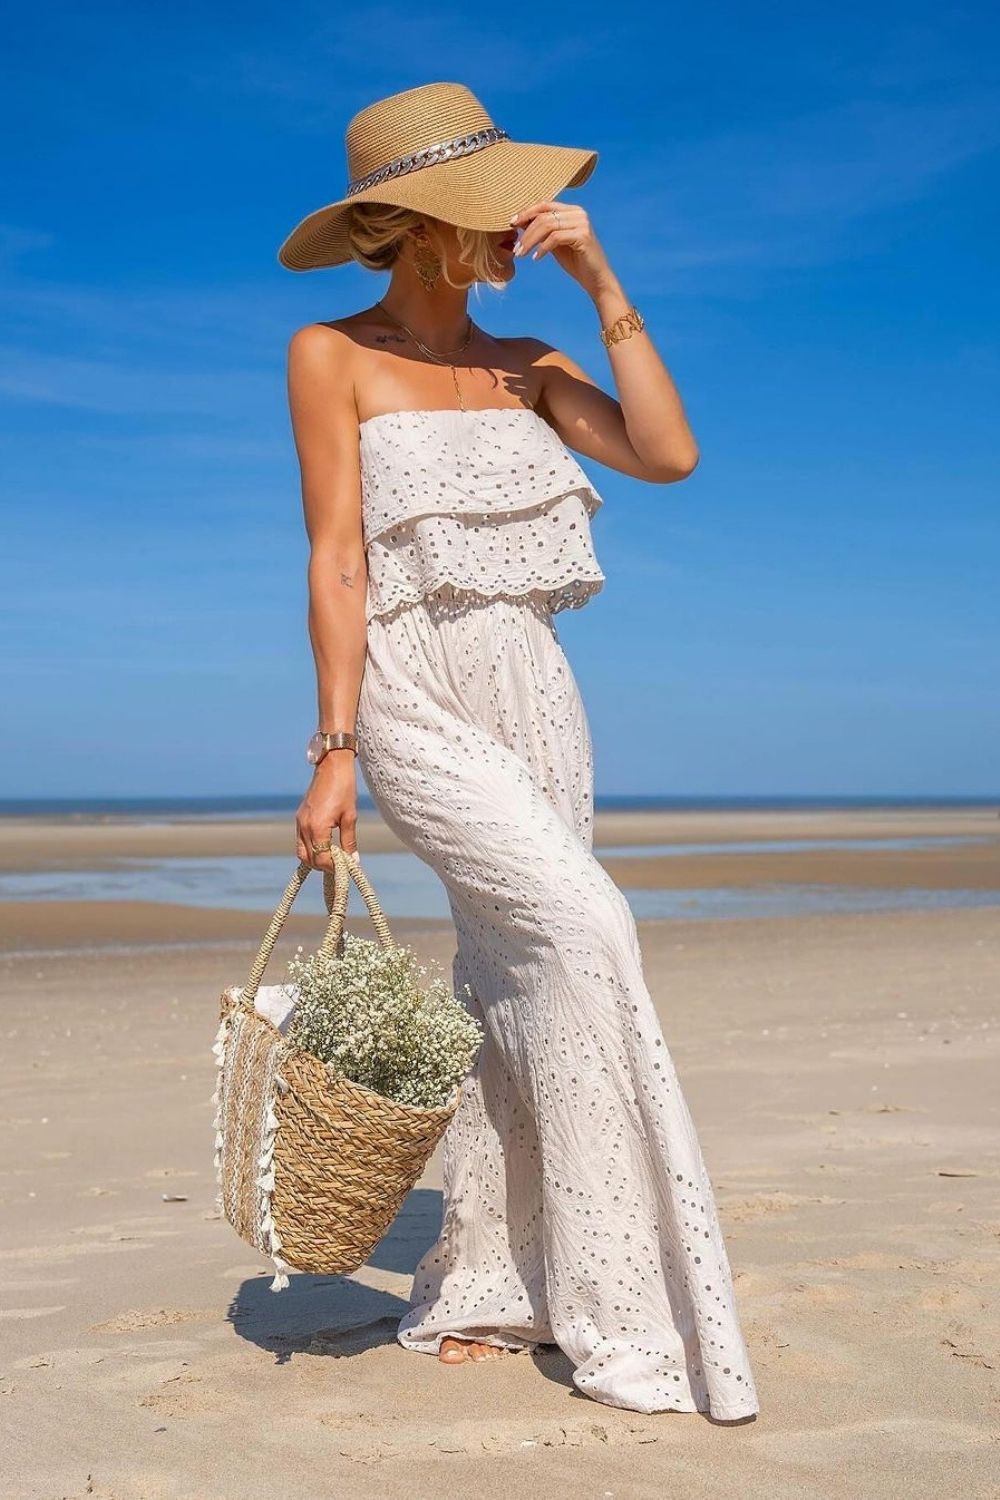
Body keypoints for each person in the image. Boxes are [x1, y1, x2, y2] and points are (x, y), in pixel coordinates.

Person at [279, 81, 759, 1420]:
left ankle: (494, 1279)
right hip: (412, 689)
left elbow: (669, 453)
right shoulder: (332, 354)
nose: (524, 225)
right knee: (589, 933)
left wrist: (605, 280)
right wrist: (333, 750)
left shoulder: (533, 360)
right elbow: (334, 557)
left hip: (537, 690)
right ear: (428, 220)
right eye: (498, 206)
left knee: (519, 976)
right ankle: (618, 1302)